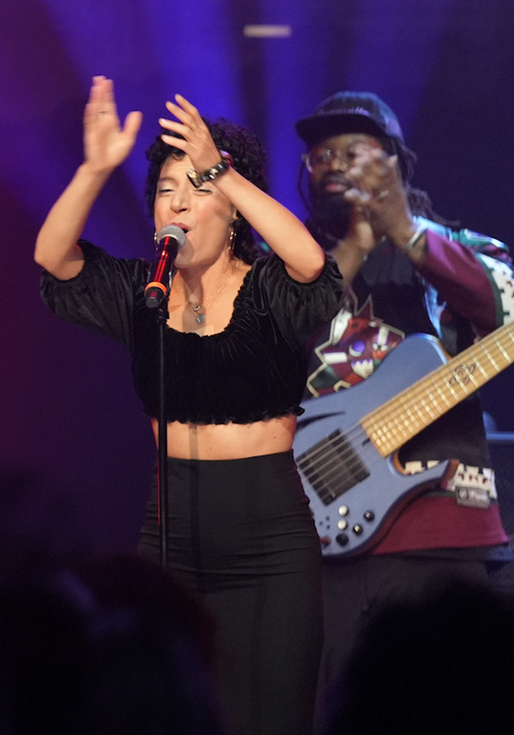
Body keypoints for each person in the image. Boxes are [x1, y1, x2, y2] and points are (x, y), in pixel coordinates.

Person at [34, 78, 343, 735]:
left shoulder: (269, 290)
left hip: (271, 552)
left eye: (197, 188)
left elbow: (310, 262)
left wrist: (221, 171)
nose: (177, 202)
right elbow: (52, 257)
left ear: (233, 214)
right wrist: (95, 169)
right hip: (169, 540)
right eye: (166, 190)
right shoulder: (142, 293)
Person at [292, 92, 514, 691]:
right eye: (321, 155)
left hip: (441, 533)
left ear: (394, 162)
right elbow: (254, 347)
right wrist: (353, 250)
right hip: (310, 535)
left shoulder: (464, 247)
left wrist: (408, 235)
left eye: (354, 151)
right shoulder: (280, 262)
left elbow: (504, 310)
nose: (334, 163)